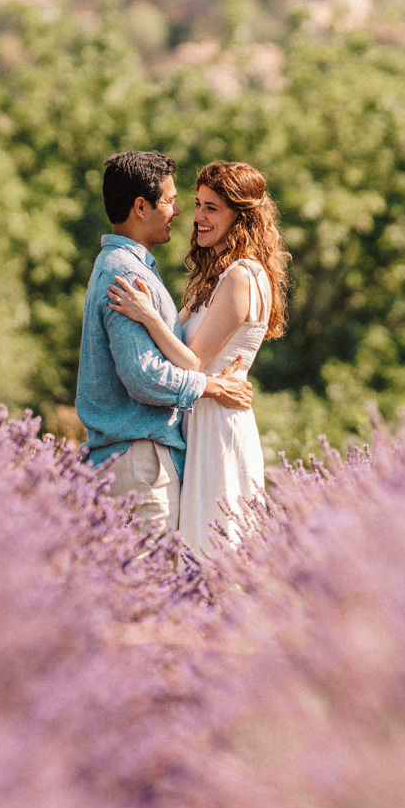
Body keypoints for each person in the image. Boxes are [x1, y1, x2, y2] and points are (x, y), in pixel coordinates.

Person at [107, 160, 285, 550]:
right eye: (198, 204)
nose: (197, 217)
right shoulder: (217, 276)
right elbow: (177, 338)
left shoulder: (242, 276)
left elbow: (190, 362)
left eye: (211, 208)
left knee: (214, 547)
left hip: (218, 425)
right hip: (198, 417)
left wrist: (146, 315)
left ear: (241, 217)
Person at [76, 151, 253, 533]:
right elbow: (143, 376)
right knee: (150, 582)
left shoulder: (124, 267)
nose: (178, 213)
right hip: (139, 465)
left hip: (136, 460)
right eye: (171, 201)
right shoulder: (125, 272)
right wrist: (211, 386)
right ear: (141, 207)